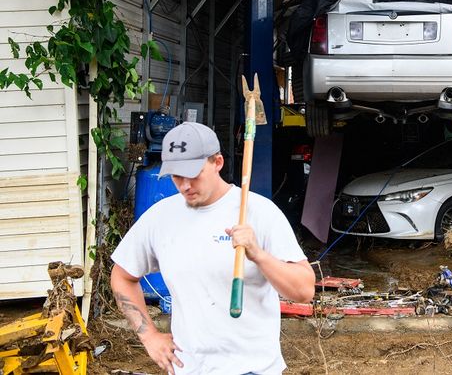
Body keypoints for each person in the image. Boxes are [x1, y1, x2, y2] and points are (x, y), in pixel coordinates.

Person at [111, 122, 315, 375]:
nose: (185, 185)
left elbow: (304, 290)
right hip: (189, 368)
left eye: (193, 174)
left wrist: (259, 255)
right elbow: (122, 276)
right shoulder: (160, 218)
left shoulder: (258, 212)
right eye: (176, 176)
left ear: (217, 162)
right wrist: (149, 336)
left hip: (252, 368)